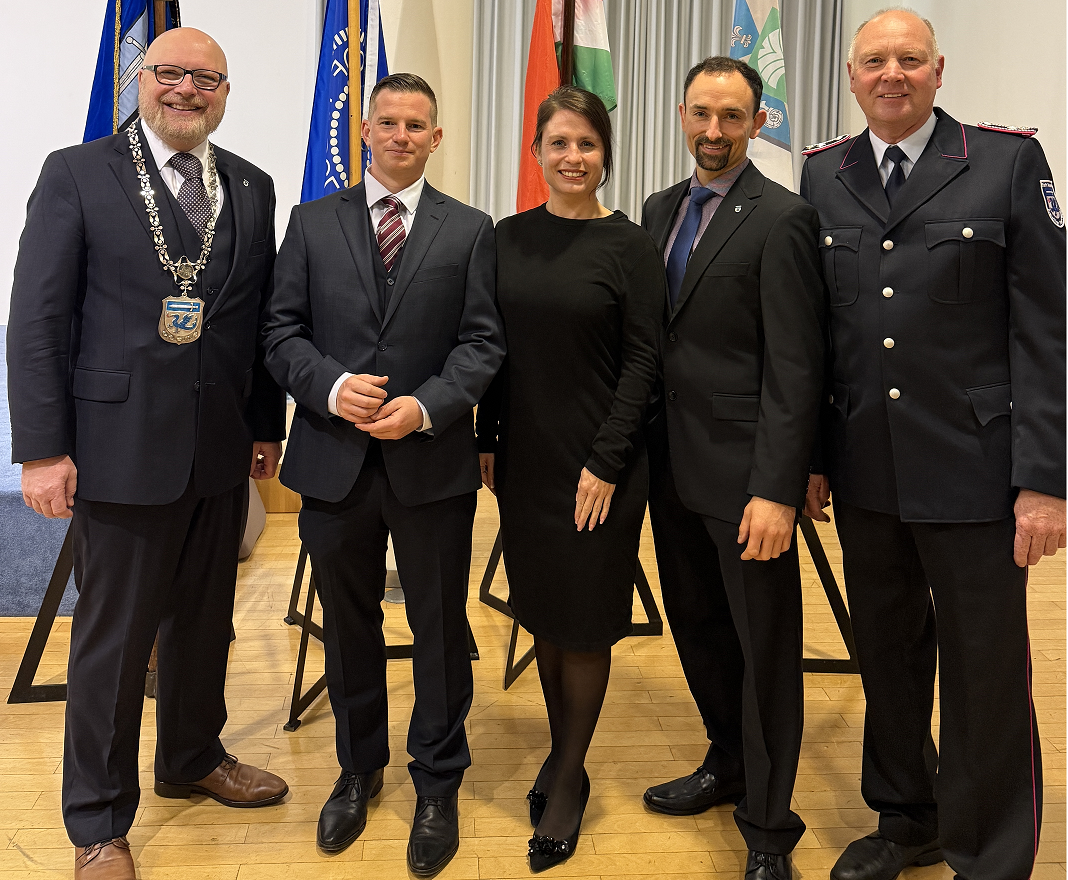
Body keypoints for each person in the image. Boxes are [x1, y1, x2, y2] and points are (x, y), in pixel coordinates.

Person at [6, 27, 289, 880]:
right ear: (141, 80)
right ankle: (97, 820)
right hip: (116, 453)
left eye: (207, 79)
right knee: (115, 643)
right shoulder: (77, 173)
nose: (187, 90)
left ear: (225, 93)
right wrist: (43, 450)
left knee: (205, 624)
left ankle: (192, 755)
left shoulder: (251, 184)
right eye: (171, 74)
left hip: (215, 451)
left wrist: (262, 424)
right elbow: (37, 320)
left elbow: (252, 321)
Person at [799, 9, 1066, 880]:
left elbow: (1047, 333)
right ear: (851, 76)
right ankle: (906, 817)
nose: (892, 74)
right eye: (874, 60)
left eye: (909, 60)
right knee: (888, 659)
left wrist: (1046, 478)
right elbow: (816, 336)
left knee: (984, 672)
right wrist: (808, 458)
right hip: (867, 466)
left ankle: (988, 851)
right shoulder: (822, 176)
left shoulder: (1005, 162)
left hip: (978, 471)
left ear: (939, 70)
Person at [261, 72, 503, 877]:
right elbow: (280, 331)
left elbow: (482, 345)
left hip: (430, 463)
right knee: (350, 626)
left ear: (437, 138)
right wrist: (329, 386)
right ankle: (358, 768)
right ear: (365, 131)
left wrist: (429, 406)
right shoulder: (309, 221)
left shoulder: (470, 230)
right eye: (388, 123)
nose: (401, 136)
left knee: (437, 630)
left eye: (417, 125)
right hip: (333, 463)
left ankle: (438, 783)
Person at [639, 57, 826, 880]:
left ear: (756, 123)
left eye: (733, 117)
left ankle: (769, 827)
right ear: (681, 114)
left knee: (765, 650)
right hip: (671, 471)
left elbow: (797, 364)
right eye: (702, 114)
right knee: (702, 632)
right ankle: (728, 764)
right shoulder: (658, 210)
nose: (714, 131)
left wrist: (777, 487)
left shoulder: (782, 218)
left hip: (747, 478)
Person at [476, 85, 663, 872]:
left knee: (585, 625)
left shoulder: (630, 244)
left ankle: (570, 775)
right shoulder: (506, 237)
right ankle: (561, 755)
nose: (573, 157)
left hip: (601, 468)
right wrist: (487, 438)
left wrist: (607, 461)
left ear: (604, 155)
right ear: (538, 153)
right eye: (558, 143)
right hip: (524, 462)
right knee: (545, 615)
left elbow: (644, 361)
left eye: (587, 144)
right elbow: (488, 347)